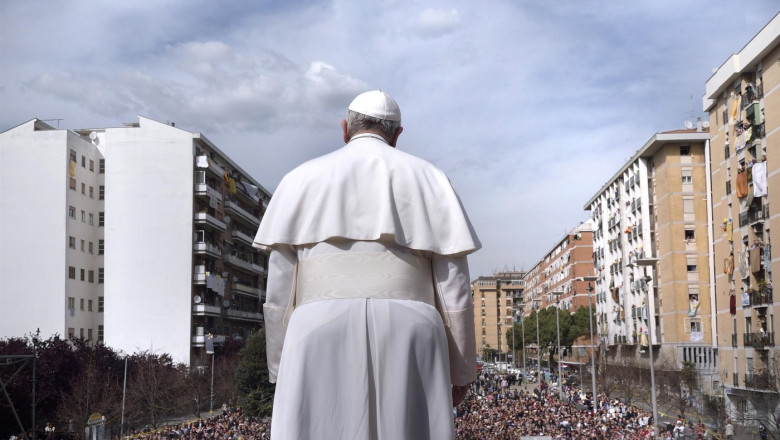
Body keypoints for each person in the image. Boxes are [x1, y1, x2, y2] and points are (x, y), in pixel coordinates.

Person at [253, 90, 481, 440]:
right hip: (412, 329)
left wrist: (280, 366)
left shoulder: (298, 178)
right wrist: (461, 370)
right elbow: (455, 291)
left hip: (315, 328)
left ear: (345, 129)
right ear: (397, 135)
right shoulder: (430, 177)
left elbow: (279, 291)